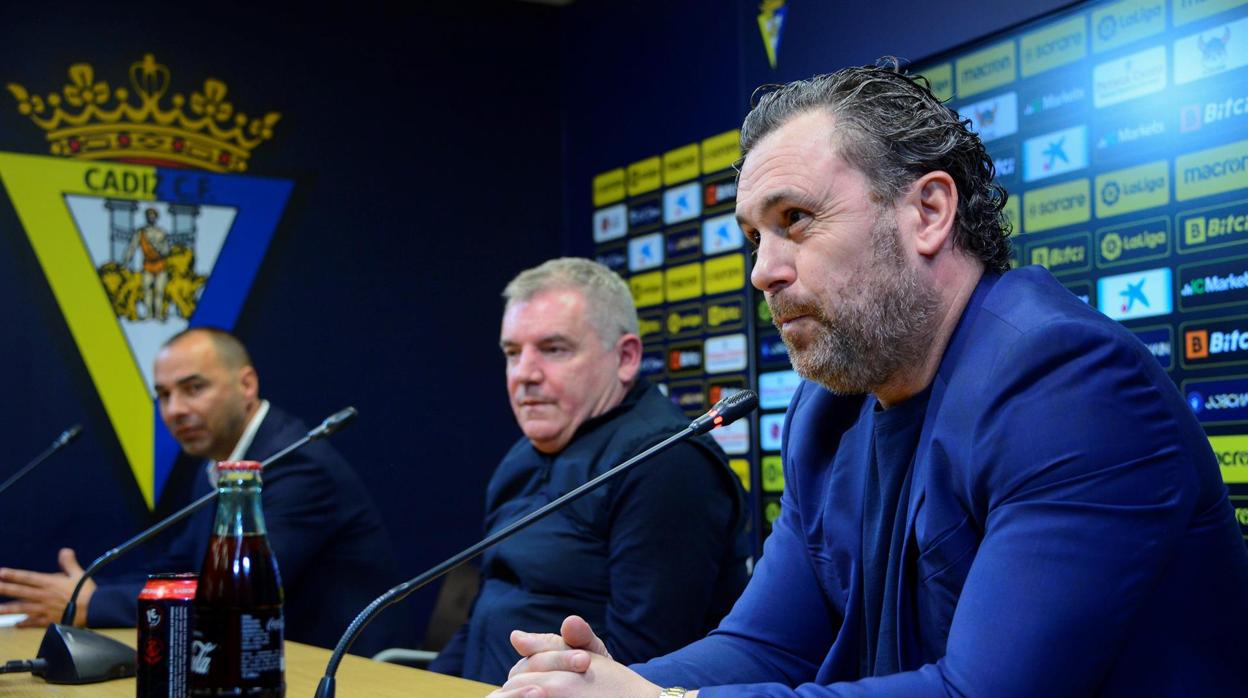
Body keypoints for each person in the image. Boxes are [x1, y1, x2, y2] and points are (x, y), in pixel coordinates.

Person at [488, 60, 1248, 697]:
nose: (763, 271)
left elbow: (977, 694)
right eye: (754, 237)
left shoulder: (1069, 385)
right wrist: (604, 683)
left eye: (796, 219)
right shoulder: (830, 411)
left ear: (927, 211)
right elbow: (767, 644)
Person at [427, 258, 750, 686]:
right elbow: (486, 614)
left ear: (626, 358)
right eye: (511, 353)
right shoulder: (522, 456)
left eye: (554, 349)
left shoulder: (666, 463)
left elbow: (645, 661)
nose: (524, 373)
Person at [0, 327, 404, 655]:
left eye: (193, 388)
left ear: (246, 384)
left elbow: (234, 593)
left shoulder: (297, 467)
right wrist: (87, 592)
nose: (174, 409)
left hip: (339, 670)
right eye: (163, 395)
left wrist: (96, 605)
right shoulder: (220, 462)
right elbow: (184, 568)